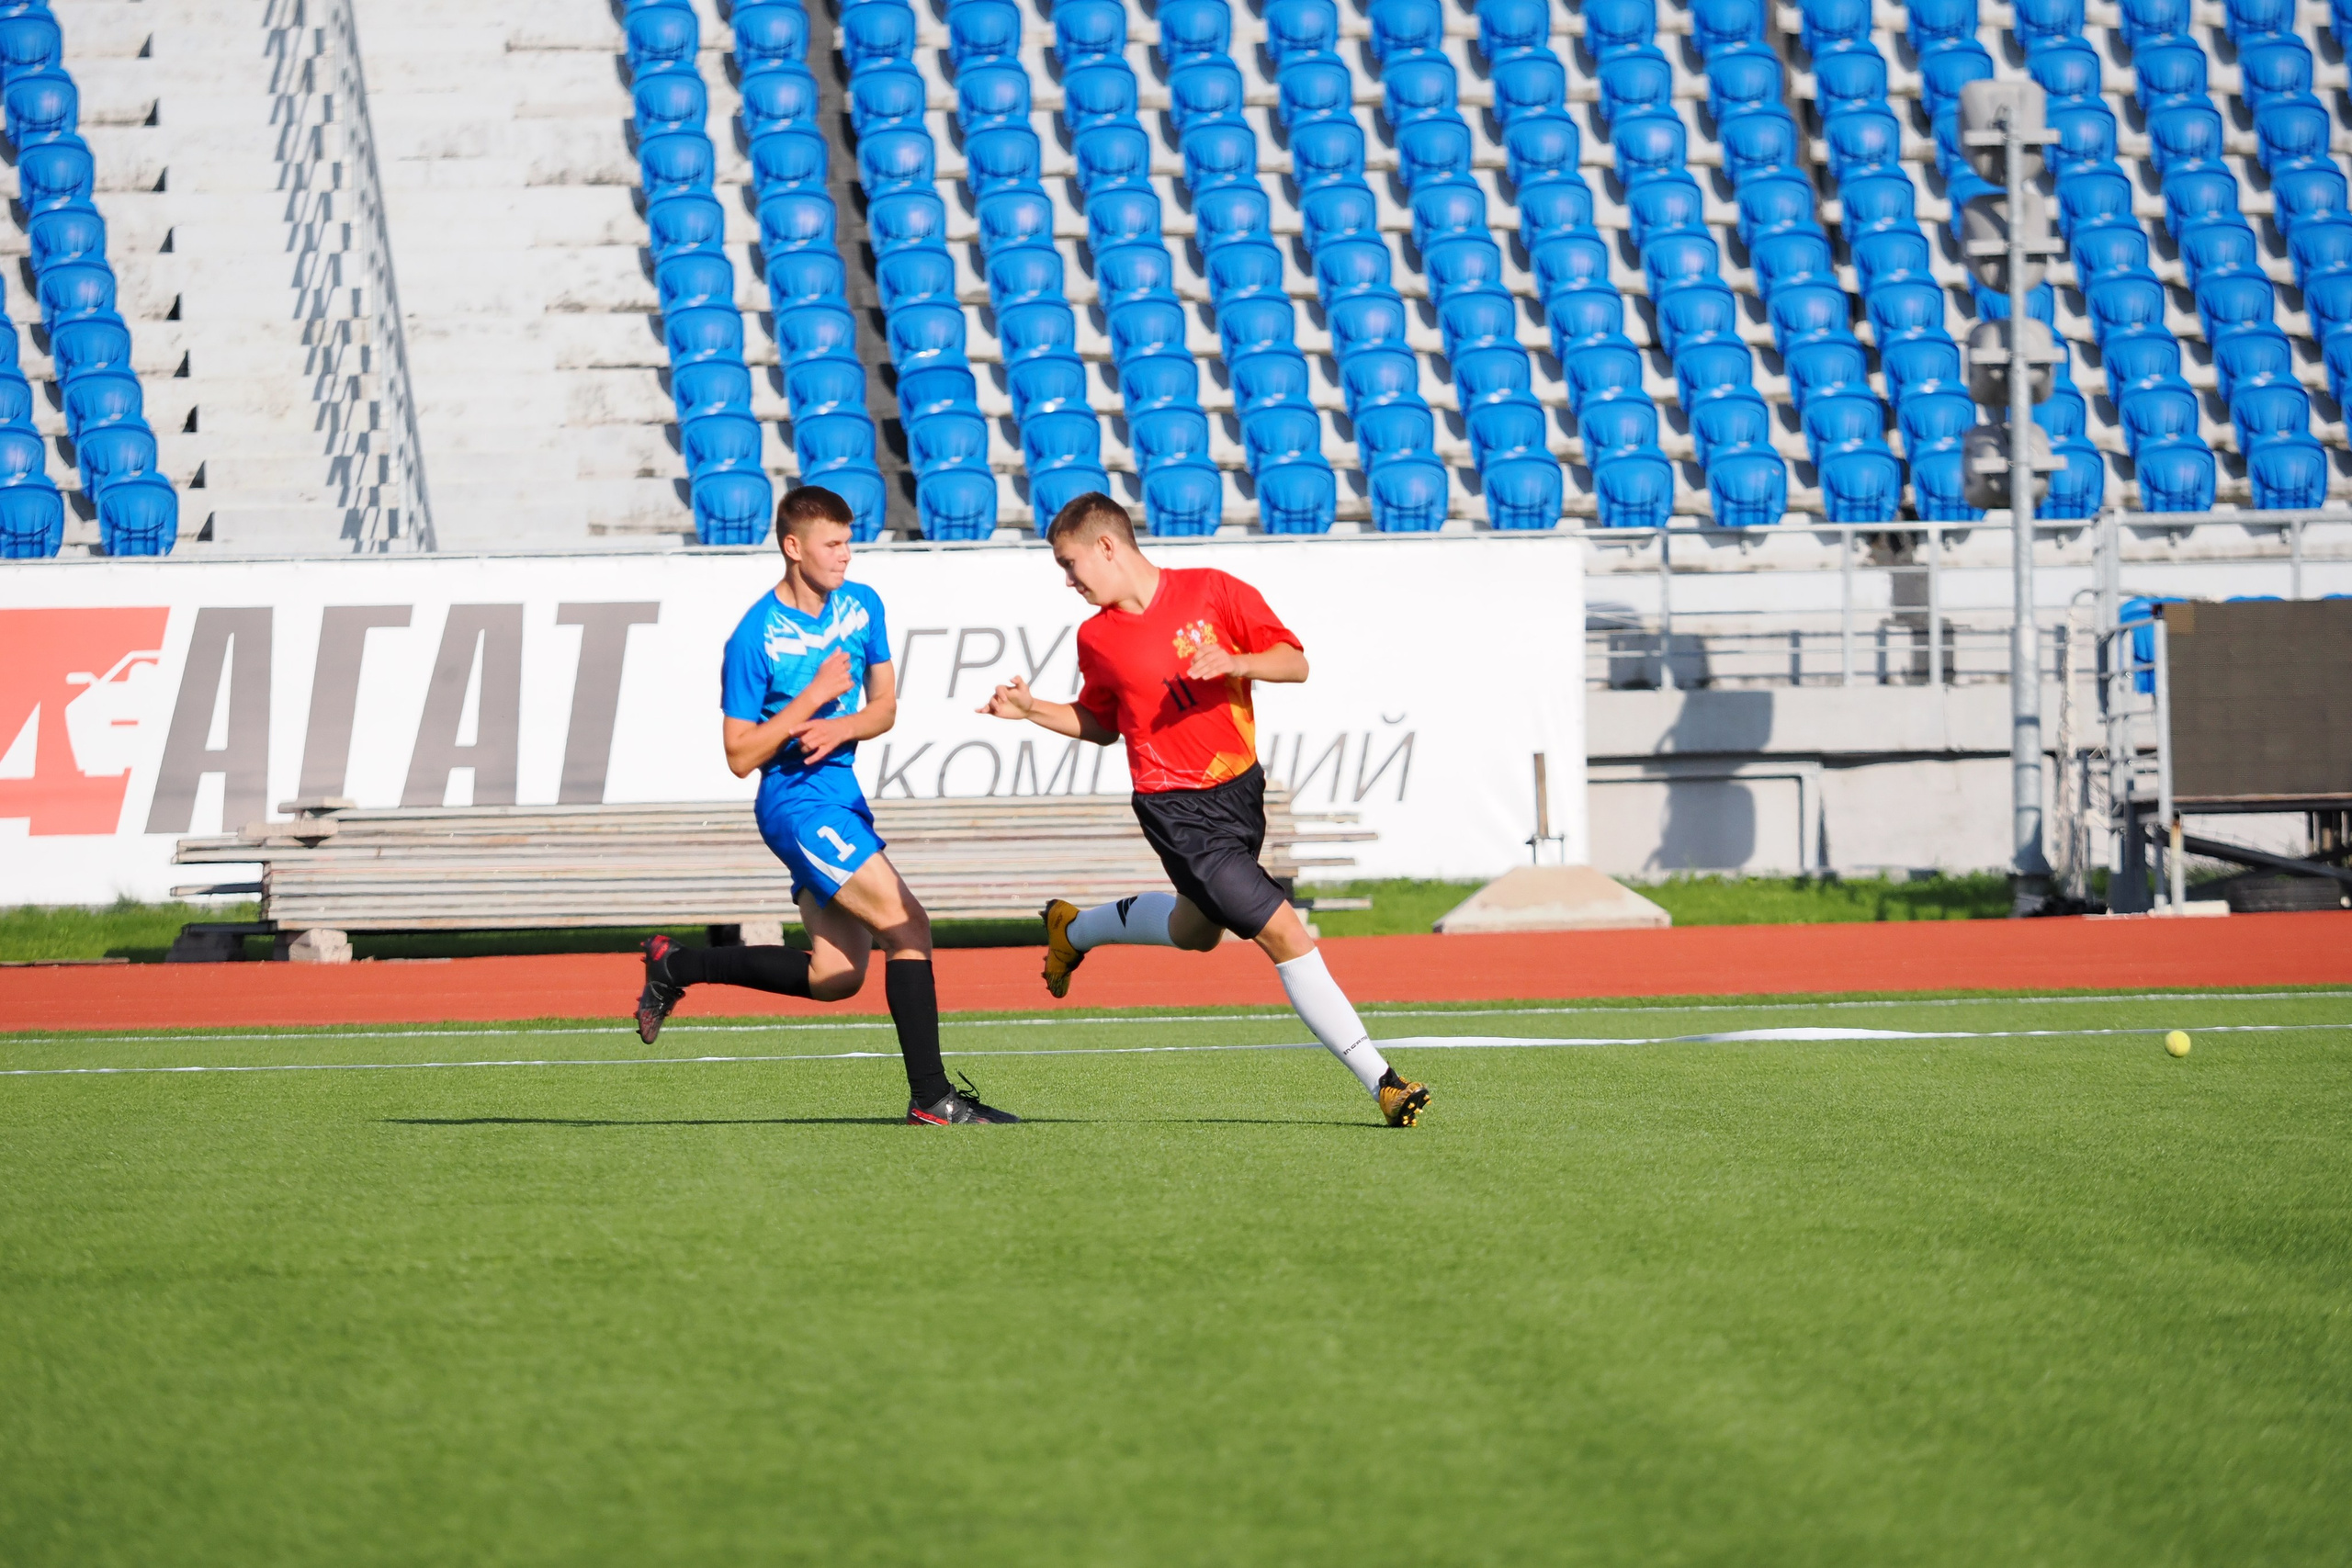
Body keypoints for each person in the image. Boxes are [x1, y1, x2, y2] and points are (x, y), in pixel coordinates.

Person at [978, 492, 1430, 1126]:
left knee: (1197, 932)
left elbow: (1295, 663)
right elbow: (1104, 724)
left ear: (1107, 546)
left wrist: (1237, 662)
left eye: (1070, 563)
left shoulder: (1214, 591)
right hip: (1175, 811)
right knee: (1285, 933)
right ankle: (1382, 1079)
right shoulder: (1096, 637)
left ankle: (1072, 930)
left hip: (1241, 793)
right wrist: (1033, 710)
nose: (1068, 579)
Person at [632, 485, 1017, 1126]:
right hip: (796, 805)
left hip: (842, 797)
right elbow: (737, 754)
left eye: (849, 541)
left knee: (836, 976)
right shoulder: (754, 637)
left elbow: (885, 707)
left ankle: (677, 964)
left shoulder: (862, 606)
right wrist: (810, 701)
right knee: (908, 927)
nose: (846, 555)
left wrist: (844, 727)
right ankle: (932, 1098)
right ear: (793, 546)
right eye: (832, 543)